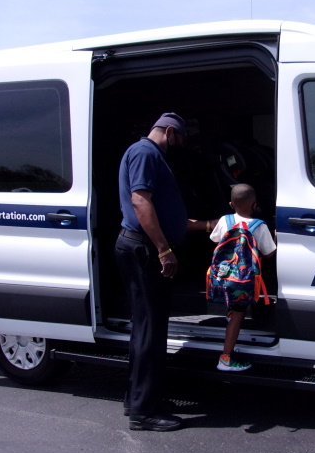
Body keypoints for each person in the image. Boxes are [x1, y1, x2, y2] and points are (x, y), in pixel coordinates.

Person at [115, 112, 215, 431]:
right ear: (169, 131)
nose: (181, 145)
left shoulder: (148, 154)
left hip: (140, 246)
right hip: (144, 249)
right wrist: (163, 248)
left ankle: (138, 398)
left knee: (144, 327)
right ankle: (144, 413)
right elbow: (141, 202)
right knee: (151, 329)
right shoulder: (146, 153)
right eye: (180, 139)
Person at [209, 183, 276, 372]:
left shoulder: (224, 220)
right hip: (243, 279)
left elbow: (215, 240)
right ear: (255, 205)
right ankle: (225, 359)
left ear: (231, 204)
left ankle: (230, 314)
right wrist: (275, 236)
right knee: (240, 314)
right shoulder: (259, 226)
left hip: (223, 277)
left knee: (234, 307)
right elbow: (269, 253)